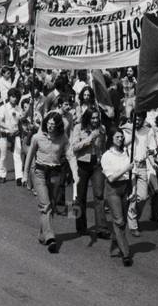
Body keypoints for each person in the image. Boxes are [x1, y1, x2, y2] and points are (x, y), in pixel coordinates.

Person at [22, 111, 69, 253]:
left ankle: (42, 235)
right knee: (45, 204)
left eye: (53, 124)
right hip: (40, 173)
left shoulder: (63, 138)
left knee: (51, 205)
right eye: (48, 123)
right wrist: (25, 175)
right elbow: (29, 156)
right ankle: (50, 237)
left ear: (58, 126)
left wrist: (75, 175)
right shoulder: (37, 137)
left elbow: (70, 155)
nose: (50, 126)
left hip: (55, 173)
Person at [71, 107, 110, 239]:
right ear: (87, 118)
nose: (95, 120)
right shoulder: (78, 128)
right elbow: (74, 147)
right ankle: (80, 227)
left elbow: (104, 146)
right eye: (92, 118)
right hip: (82, 165)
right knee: (80, 197)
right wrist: (89, 138)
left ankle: (101, 228)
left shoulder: (102, 129)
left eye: (96, 117)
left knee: (99, 195)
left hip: (97, 165)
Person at [101, 127, 133, 266]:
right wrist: (126, 168)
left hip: (125, 187)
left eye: (121, 137)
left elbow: (132, 174)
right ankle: (126, 254)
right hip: (113, 189)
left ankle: (116, 243)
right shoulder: (106, 156)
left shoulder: (127, 153)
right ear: (111, 139)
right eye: (117, 137)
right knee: (119, 220)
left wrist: (133, 189)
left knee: (122, 221)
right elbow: (112, 178)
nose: (120, 139)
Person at [0, 87, 24, 185]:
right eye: (13, 96)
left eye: (16, 97)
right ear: (9, 97)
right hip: (4, 135)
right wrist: (8, 127)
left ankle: (19, 177)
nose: (15, 99)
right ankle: (2, 175)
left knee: (17, 155)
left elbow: (20, 123)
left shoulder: (19, 109)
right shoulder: (3, 108)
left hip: (16, 135)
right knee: (3, 156)